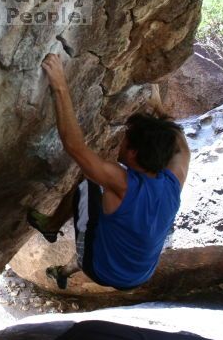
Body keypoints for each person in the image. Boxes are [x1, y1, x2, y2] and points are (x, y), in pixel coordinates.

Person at [28, 54, 190, 290]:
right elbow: (182, 143)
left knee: (87, 183)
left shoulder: (122, 183)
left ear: (133, 153)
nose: (120, 143)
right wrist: (158, 109)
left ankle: (52, 226)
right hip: (142, 274)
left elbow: (75, 147)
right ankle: (73, 262)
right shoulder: (174, 181)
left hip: (100, 270)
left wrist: (60, 85)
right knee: (114, 216)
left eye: (124, 141)